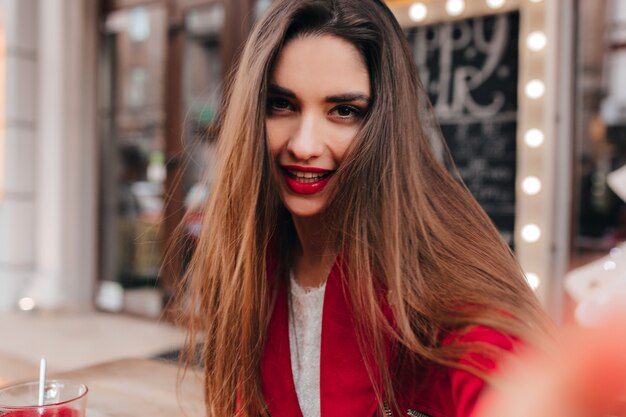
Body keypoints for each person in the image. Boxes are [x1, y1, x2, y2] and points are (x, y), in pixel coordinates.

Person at [179, 1, 552, 416]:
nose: (304, 145)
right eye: (282, 104)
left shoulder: (441, 282)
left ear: (385, 123)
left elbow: (509, 376)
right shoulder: (253, 257)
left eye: (344, 111)